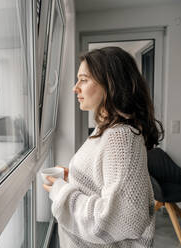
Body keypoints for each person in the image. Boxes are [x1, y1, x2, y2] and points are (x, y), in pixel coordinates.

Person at [42, 47, 164, 248]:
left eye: (83, 79)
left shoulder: (121, 137)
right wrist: (72, 177)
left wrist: (61, 191)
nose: (75, 88)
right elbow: (103, 181)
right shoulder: (106, 129)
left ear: (110, 83)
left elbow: (126, 218)